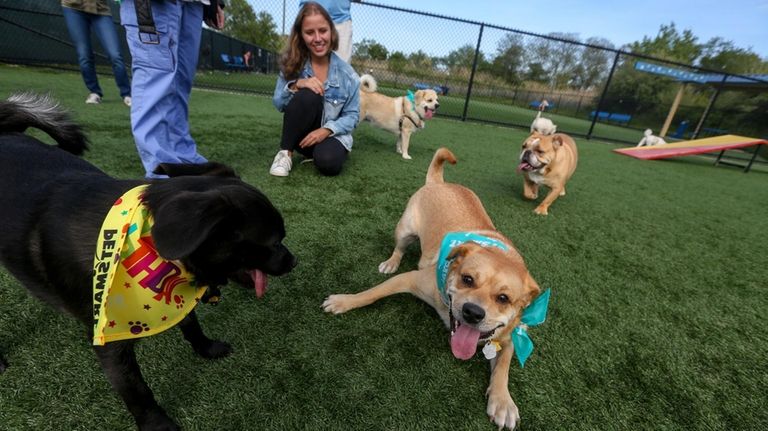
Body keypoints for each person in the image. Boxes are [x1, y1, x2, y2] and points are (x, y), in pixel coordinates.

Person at [119, 0, 224, 178]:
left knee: (180, 82)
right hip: (154, 4)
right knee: (155, 77)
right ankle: (161, 171)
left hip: (195, 4)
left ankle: (185, 158)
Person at [269, 2, 360, 177]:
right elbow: (279, 103)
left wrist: (326, 130)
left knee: (329, 164)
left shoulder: (348, 75)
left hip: (331, 135)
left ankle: (323, 152)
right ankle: (285, 153)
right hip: (301, 135)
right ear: (301, 35)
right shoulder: (294, 64)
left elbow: (352, 116)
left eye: (323, 31)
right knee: (308, 94)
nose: (318, 38)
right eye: (310, 32)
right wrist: (298, 84)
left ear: (332, 32)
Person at [61, 0, 131, 106]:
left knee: (115, 55)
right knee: (84, 54)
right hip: (73, 8)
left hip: (101, 9)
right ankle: (94, 92)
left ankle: (127, 94)